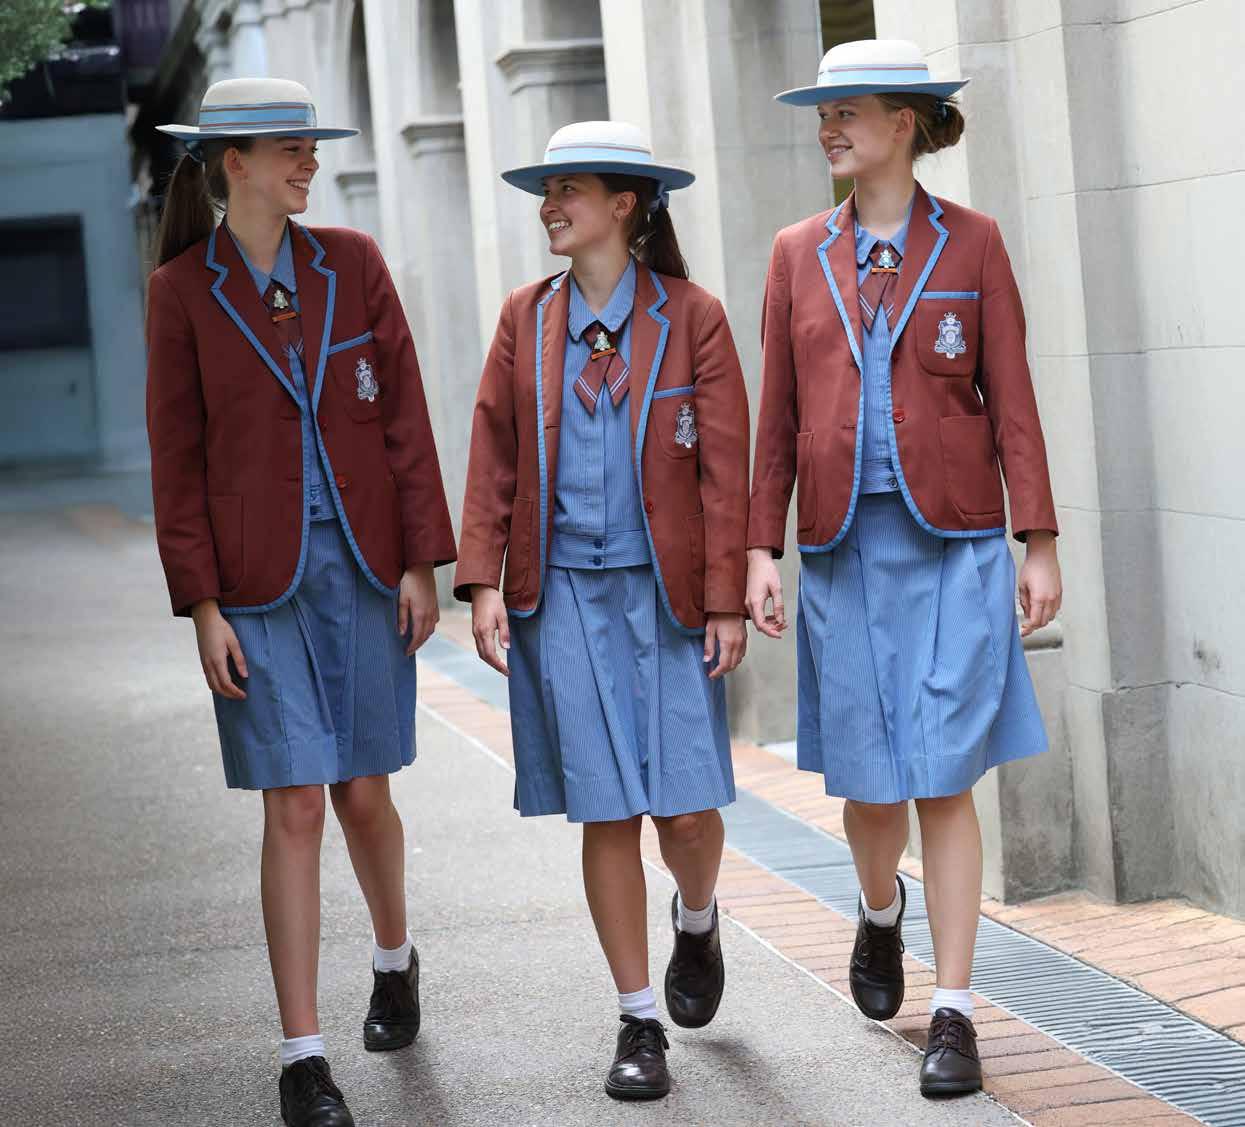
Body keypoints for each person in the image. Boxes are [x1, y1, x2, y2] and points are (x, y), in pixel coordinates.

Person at [747, 40, 1063, 1097]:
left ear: (905, 123)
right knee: (873, 788)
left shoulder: (974, 242)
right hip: (843, 551)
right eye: (824, 112)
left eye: (850, 111)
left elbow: (1012, 398)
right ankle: (879, 909)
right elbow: (775, 415)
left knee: (943, 777)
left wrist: (1037, 540)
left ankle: (955, 1008)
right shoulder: (796, 252)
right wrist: (758, 548)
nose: (829, 127)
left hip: (958, 543)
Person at [146, 77, 456, 1127]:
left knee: (363, 793)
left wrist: (422, 561)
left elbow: (404, 414)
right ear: (234, 163)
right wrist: (201, 604)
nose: (309, 162)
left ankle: (394, 957)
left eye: (310, 146)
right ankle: (304, 1057)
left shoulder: (353, 264)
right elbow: (177, 460)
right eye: (291, 148)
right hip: (252, 583)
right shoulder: (180, 292)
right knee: (295, 803)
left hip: (364, 568)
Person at [454, 121, 750, 1101]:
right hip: (564, 598)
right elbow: (494, 452)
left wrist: (725, 599)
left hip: (668, 600)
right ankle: (637, 1017)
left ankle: (696, 920)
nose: (549, 205)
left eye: (567, 188)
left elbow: (724, 469)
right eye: (546, 190)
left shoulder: (691, 316)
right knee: (608, 808)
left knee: (686, 810)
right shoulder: (524, 318)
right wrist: (484, 579)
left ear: (623, 205)